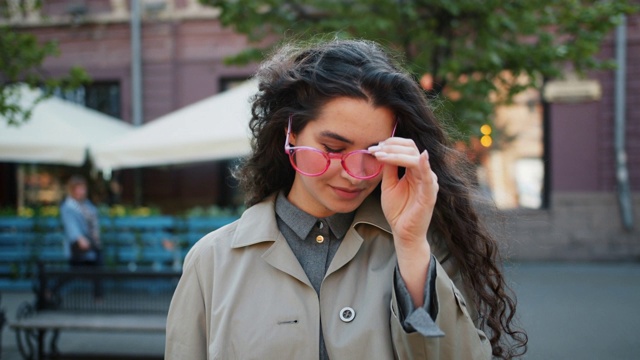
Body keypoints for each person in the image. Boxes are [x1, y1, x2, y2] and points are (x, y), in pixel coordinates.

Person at [166, 38, 527, 359]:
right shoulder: (212, 261)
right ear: (290, 132)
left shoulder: (422, 250)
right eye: (333, 148)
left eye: (374, 153)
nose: (355, 173)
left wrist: (412, 243)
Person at [59, 175, 103, 292]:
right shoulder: (68, 206)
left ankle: (98, 296)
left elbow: (94, 222)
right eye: (78, 189)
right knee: (75, 270)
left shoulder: (87, 204)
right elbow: (70, 226)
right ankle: (50, 291)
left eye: (82, 188)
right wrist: (80, 238)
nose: (81, 191)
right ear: (72, 190)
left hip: (91, 243)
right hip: (77, 246)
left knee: (97, 264)